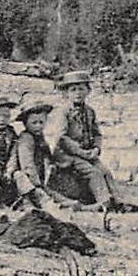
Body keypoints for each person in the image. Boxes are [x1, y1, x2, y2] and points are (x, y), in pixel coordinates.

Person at [49, 71, 122, 210]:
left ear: (88, 91)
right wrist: (82, 153)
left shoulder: (89, 111)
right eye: (73, 90)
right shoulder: (62, 112)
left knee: (105, 171)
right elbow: (61, 138)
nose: (78, 93)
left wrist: (96, 148)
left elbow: (97, 133)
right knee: (93, 173)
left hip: (87, 153)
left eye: (81, 89)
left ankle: (117, 201)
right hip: (68, 155)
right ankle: (105, 203)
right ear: (66, 93)